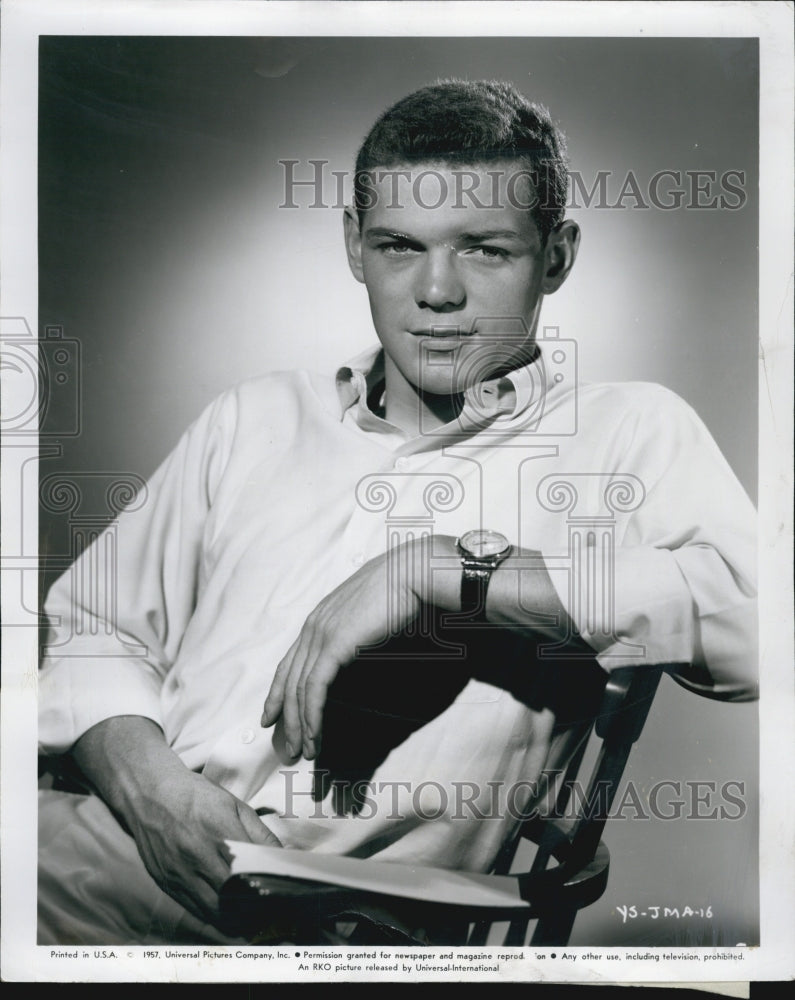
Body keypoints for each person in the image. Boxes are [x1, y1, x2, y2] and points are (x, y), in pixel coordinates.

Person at [37, 79, 757, 945]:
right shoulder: (256, 416)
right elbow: (95, 627)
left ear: (556, 255)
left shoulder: (627, 431)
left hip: (326, 917)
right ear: (352, 244)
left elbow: (760, 636)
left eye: (485, 249)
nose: (436, 292)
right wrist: (155, 794)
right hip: (103, 843)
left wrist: (451, 570)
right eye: (398, 246)